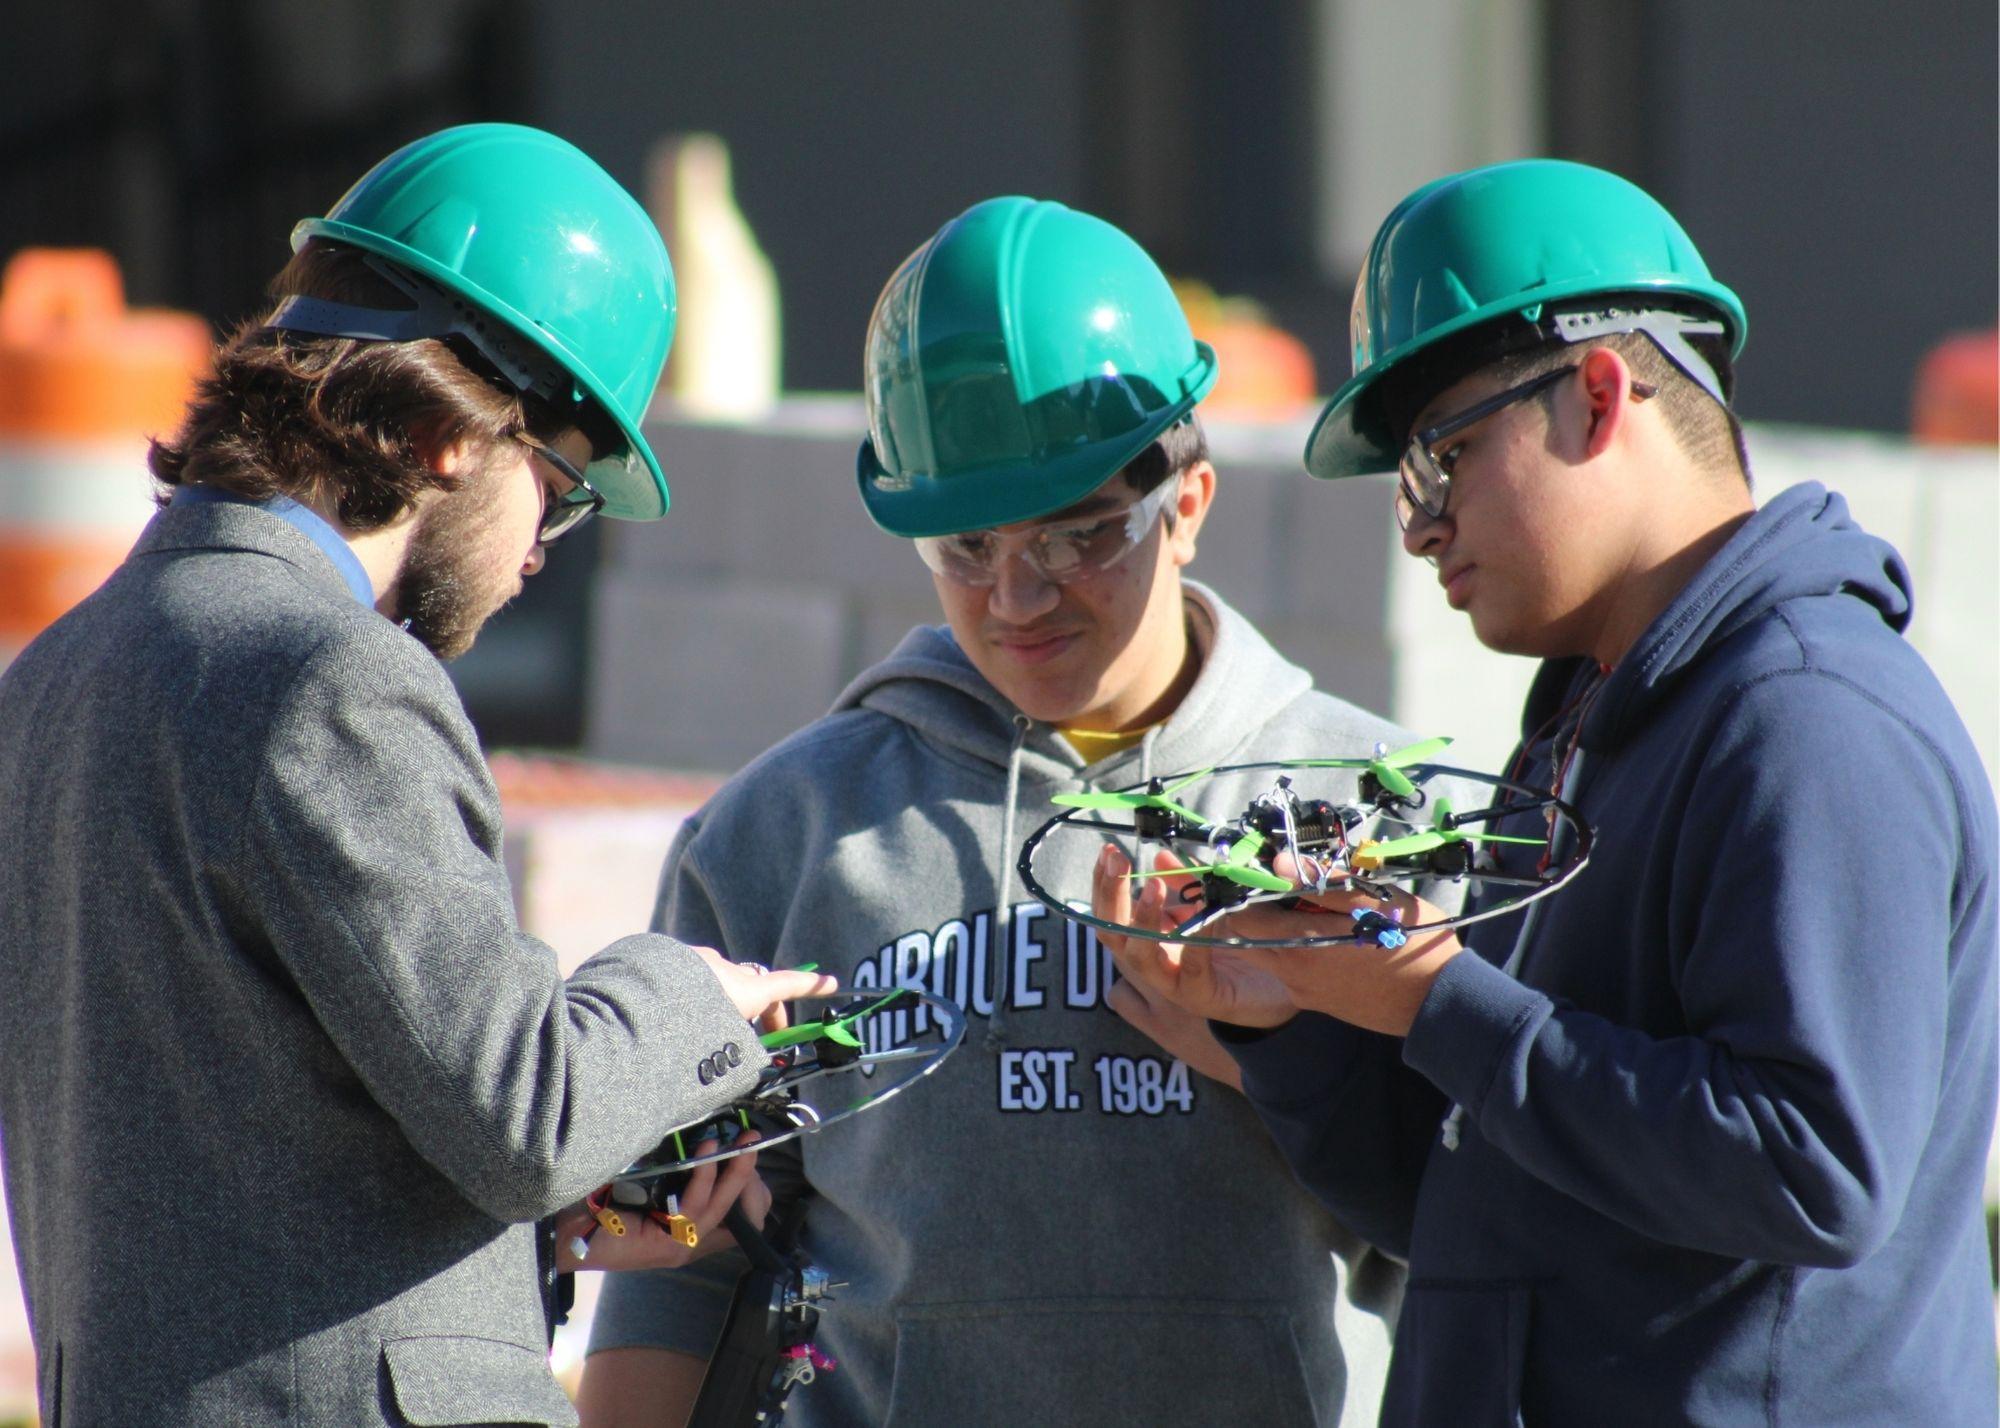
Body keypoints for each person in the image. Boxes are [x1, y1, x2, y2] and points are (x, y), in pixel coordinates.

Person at [1095, 158, 1999, 1424]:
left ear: (1593, 393)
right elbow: (1468, 1195)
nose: (1417, 527)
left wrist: (1436, 1002)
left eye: (1438, 459)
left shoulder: (1805, 717)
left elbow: (1813, 1170)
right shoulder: (1590, 719)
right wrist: (1287, 1014)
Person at [0, 123, 831, 1427]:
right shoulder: (332, 679)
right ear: (449, 435)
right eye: (559, 490)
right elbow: (531, 1114)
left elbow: (239, 1146)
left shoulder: (49, 680)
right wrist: (690, 993)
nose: (541, 553)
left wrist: (530, 1240)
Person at [576, 197, 1431, 1427]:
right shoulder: (787, 832)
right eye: (965, 545)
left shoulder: (1355, 811)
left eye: (1077, 537)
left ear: (1186, 503)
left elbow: (1451, 1248)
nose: (1016, 596)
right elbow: (678, 1254)